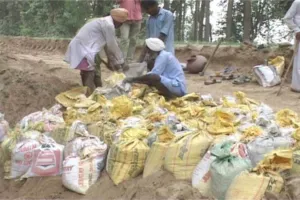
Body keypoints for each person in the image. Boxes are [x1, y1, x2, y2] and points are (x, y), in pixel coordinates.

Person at [64, 8, 129, 94]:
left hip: (85, 47)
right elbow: (112, 45)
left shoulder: (104, 21)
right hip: (83, 48)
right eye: (122, 23)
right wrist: (121, 61)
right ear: (118, 21)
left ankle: (92, 93)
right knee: (89, 73)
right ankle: (89, 96)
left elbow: (108, 45)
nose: (121, 26)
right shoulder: (108, 25)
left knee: (89, 71)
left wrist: (114, 62)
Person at [284, 0, 300, 92]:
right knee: (299, 62)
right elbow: (287, 18)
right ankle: (297, 87)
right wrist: (296, 30)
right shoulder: (298, 3)